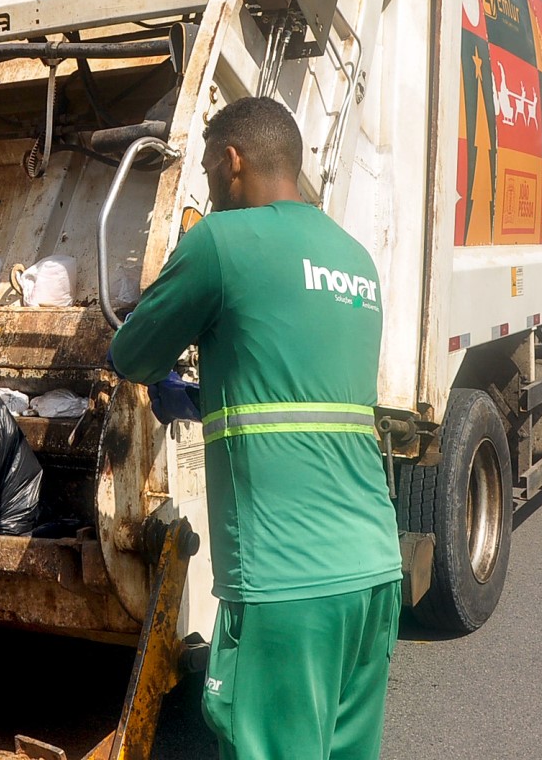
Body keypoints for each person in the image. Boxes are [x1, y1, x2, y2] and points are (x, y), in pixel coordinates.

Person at [108, 96, 402, 760]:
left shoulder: (220, 240)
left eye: (211, 173)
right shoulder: (355, 260)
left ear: (230, 161)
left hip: (286, 582)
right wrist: (203, 398)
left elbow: (132, 355)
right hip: (372, 573)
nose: (210, 192)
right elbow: (297, 384)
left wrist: (159, 375)